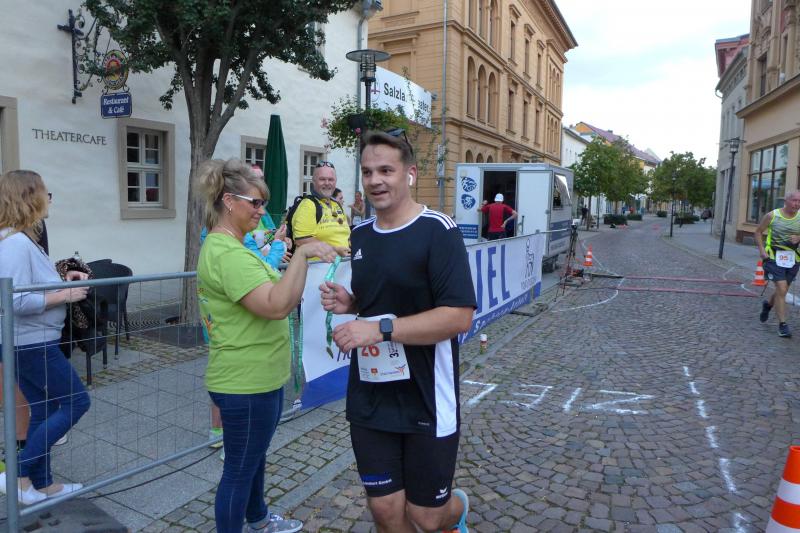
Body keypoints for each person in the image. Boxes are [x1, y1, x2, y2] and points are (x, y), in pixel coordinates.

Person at [320, 131, 475, 533]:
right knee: (386, 511)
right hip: (372, 393)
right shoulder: (361, 234)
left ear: (410, 173)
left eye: (386, 170)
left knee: (427, 517)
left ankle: (457, 509)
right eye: (368, 172)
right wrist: (351, 303)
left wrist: (380, 329)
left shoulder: (437, 230)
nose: (375, 180)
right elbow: (380, 301)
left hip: (427, 394)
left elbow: (459, 316)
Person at [196, 158, 343, 533]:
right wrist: (304, 254)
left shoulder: (236, 247)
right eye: (256, 203)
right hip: (245, 381)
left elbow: (277, 296)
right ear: (229, 201)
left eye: (263, 203)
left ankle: (259, 518)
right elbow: (276, 305)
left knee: (253, 458)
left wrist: (295, 260)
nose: (262, 211)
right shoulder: (227, 253)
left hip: (257, 377)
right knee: (239, 470)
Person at [0, 170, 91, 504]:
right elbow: (13, 301)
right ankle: (18, 474)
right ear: (29, 197)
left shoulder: (22, 240)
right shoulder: (15, 243)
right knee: (77, 402)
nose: (49, 200)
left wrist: (64, 280)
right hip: (32, 343)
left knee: (44, 409)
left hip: (32, 342)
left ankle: (42, 485)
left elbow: (30, 286)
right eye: (45, 193)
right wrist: (66, 295)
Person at [755, 190, 800, 338]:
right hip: (773, 257)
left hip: (793, 259)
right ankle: (783, 325)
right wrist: (762, 250)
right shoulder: (772, 216)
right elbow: (758, 232)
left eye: (799, 201)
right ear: (786, 201)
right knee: (781, 288)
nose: (797, 204)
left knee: (783, 290)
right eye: (794, 200)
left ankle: (768, 305)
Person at [290, 160, 350, 255]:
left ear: (335, 182)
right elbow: (302, 240)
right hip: (317, 263)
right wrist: (335, 249)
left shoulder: (336, 204)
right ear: (313, 181)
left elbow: (344, 235)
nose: (327, 183)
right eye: (322, 179)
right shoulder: (308, 205)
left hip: (342, 262)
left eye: (331, 179)